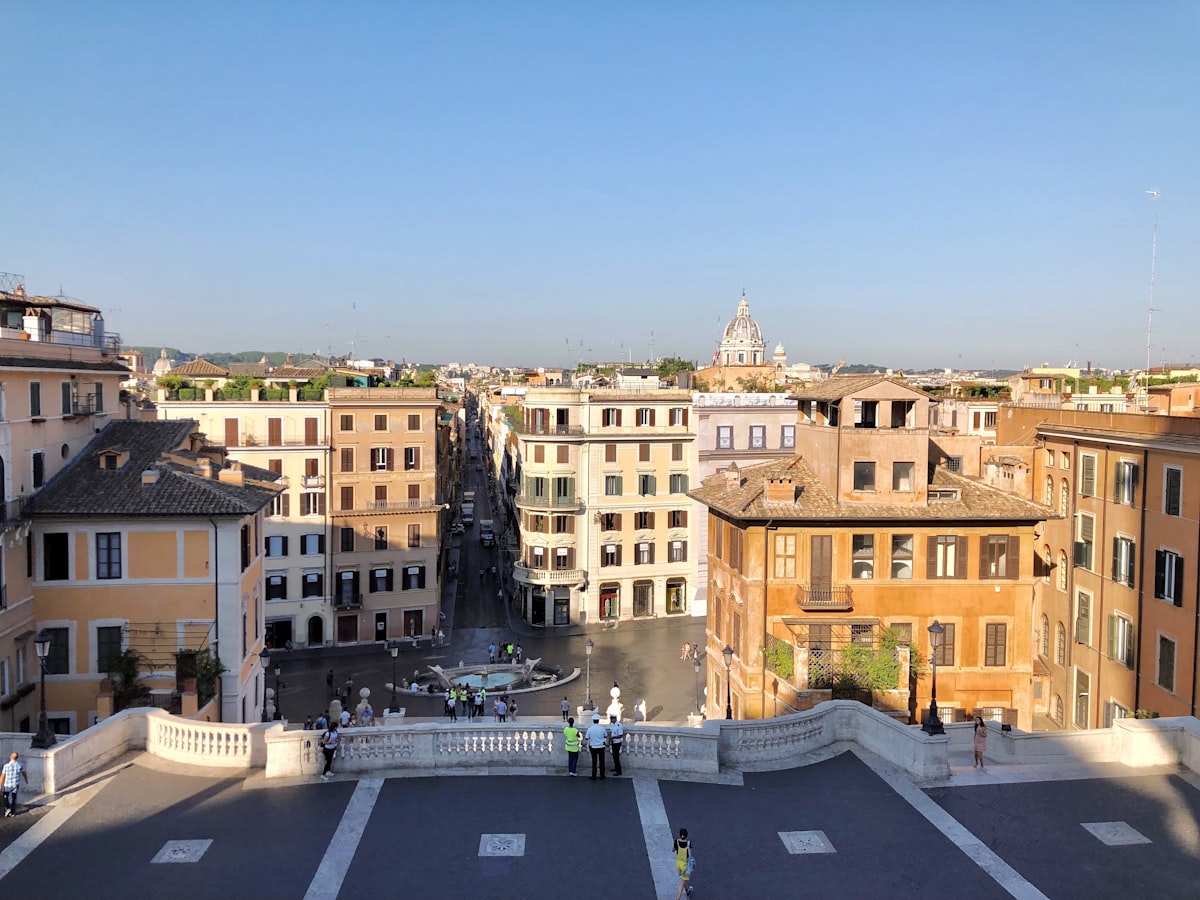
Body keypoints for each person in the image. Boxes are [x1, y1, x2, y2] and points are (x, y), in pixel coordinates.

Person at [2, 751, 29, 817]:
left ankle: (8, 809)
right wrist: (26, 780)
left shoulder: (6, 766)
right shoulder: (20, 765)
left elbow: (3, 776)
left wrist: (0, 785)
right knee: (14, 798)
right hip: (15, 784)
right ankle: (13, 812)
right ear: (17, 758)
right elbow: (24, 773)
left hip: (7, 784)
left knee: (5, 797)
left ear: (10, 757)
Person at [673, 827, 694, 898]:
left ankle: (687, 890)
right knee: (681, 883)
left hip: (678, 864)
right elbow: (690, 854)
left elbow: (673, 850)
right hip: (685, 865)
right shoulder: (689, 843)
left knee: (683, 879)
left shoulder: (676, 841)